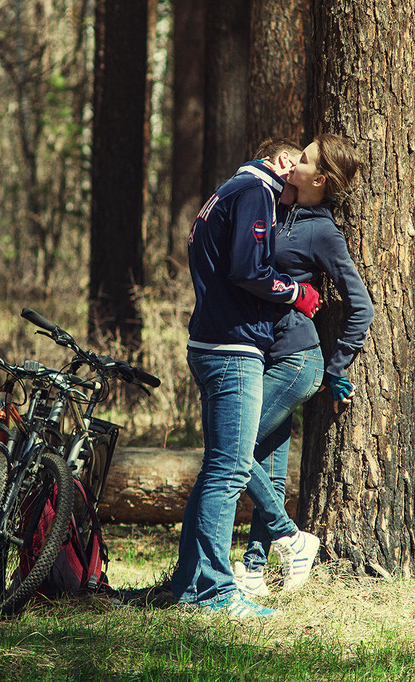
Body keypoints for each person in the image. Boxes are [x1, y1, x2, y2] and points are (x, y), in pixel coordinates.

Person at [171, 139, 321, 619]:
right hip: (233, 348)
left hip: (209, 343)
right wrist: (296, 291)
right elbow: (247, 269)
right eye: (295, 166)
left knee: (221, 465)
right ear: (280, 163)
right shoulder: (256, 190)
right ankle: (218, 592)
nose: (294, 183)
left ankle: (191, 585)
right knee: (230, 469)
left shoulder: (225, 191)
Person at [233, 133, 374, 598]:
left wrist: (336, 369)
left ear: (320, 178)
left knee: (232, 450)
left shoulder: (323, 231)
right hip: (269, 355)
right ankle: (254, 568)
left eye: (306, 159)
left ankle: (293, 539)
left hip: (298, 362)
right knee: (268, 467)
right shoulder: (282, 204)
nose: (295, 162)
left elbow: (361, 305)